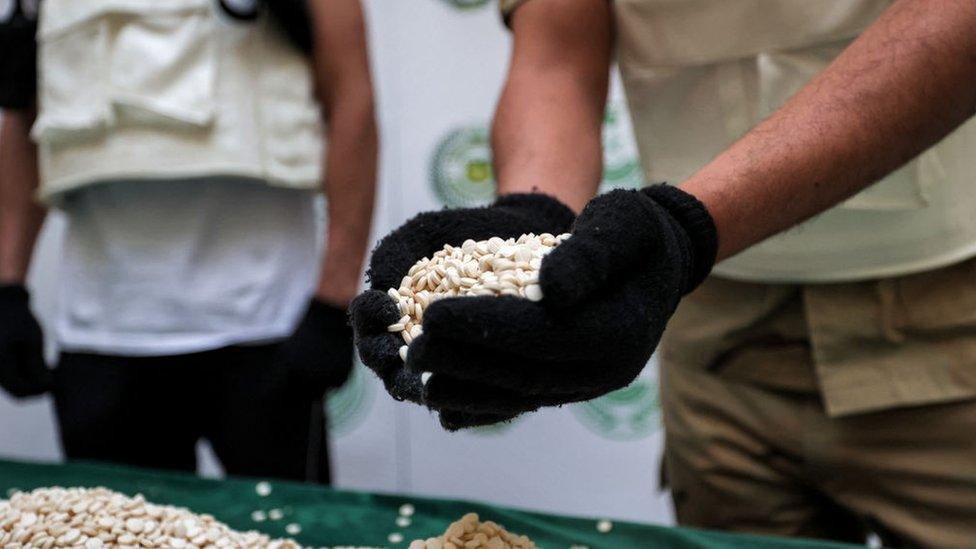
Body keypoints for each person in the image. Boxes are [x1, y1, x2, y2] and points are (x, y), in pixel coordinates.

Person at [350, 0, 976, 545]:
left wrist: (686, 228)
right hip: (713, 330)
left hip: (945, 314)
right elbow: (557, 55)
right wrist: (532, 213)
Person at [0, 0, 377, 484]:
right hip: (100, 334)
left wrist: (335, 301)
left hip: (266, 326)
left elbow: (352, 98)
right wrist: (8, 287)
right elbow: (26, 109)